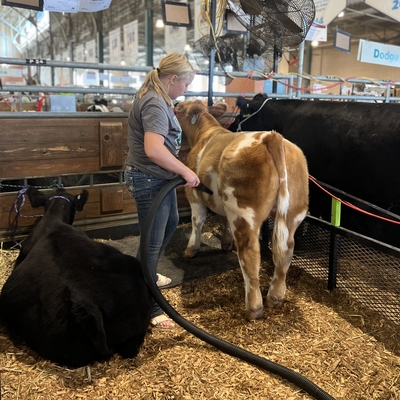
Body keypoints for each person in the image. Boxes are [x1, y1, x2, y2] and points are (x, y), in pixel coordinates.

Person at [125, 53, 200, 328]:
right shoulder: (155, 103)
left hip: (158, 178)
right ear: (173, 79)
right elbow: (153, 149)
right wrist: (184, 170)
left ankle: (144, 275)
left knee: (167, 225)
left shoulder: (158, 97)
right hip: (149, 178)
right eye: (186, 84)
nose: (186, 90)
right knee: (152, 242)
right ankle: (150, 305)